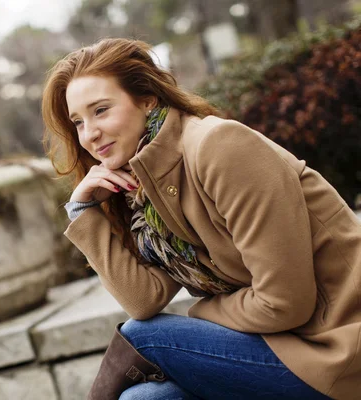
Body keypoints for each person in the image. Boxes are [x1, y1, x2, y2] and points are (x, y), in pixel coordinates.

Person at [41, 38, 361, 400]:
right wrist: (82, 211)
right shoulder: (144, 189)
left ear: (147, 99)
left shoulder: (219, 147)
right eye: (78, 122)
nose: (89, 134)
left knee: (144, 336)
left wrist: (203, 311)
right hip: (276, 348)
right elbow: (144, 300)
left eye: (101, 110)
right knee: (144, 399)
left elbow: (284, 303)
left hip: (338, 350)